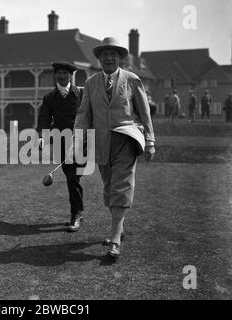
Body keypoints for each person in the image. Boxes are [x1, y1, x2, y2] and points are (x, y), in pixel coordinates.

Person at [72, 37, 155, 258]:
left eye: (113, 54)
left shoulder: (132, 79)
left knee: (121, 187)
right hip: (101, 143)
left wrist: (150, 141)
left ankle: (115, 239)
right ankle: (119, 227)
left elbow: (145, 113)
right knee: (109, 188)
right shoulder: (91, 83)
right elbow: (83, 114)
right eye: (105, 54)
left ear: (119, 58)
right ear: (99, 59)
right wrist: (77, 139)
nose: (109, 58)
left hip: (126, 140)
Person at [36, 61, 85, 232]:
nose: (62, 76)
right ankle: (77, 212)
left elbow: (91, 115)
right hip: (60, 143)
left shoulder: (81, 94)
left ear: (71, 75)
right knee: (72, 178)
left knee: (74, 178)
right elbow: (43, 119)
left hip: (81, 142)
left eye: (65, 73)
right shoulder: (49, 97)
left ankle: (77, 213)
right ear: (55, 75)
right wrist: (42, 137)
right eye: (59, 73)